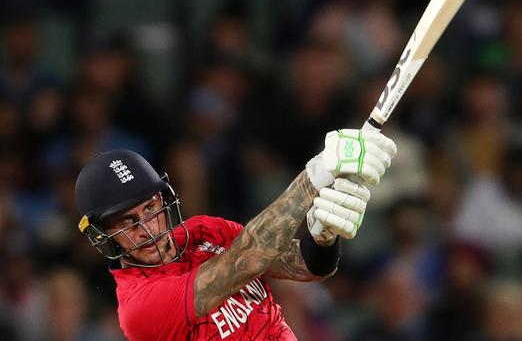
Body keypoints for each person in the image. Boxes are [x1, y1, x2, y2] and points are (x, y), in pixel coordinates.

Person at [74, 129, 397, 340]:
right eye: (128, 223)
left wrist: (322, 236)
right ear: (106, 235)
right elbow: (248, 258)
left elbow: (307, 267)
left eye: (149, 209)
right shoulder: (140, 308)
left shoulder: (203, 231)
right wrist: (317, 173)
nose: (149, 230)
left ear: (163, 200)